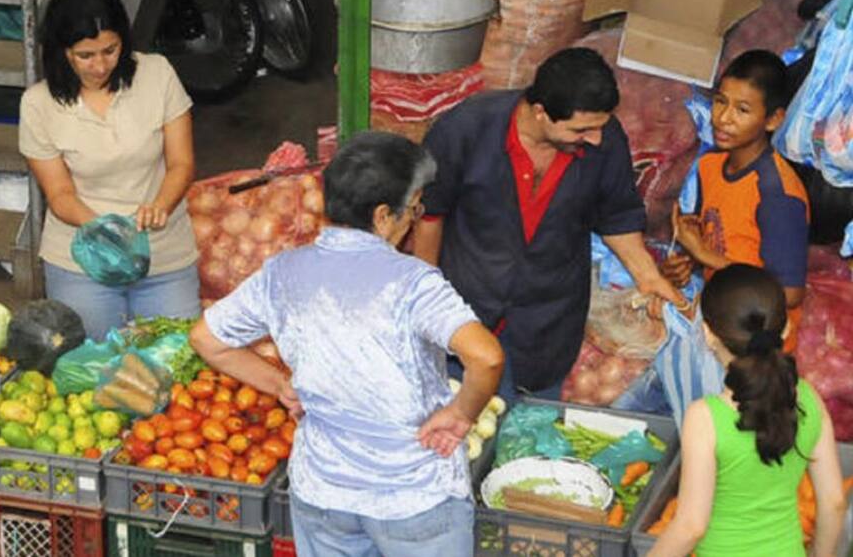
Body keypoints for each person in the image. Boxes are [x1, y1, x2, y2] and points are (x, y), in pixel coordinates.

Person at [191, 132, 505, 557]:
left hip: (324, 494)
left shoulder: (282, 272)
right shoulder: (414, 283)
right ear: (382, 216)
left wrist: (281, 384)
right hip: (412, 498)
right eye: (414, 208)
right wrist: (460, 414)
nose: (416, 218)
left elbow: (207, 340)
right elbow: (485, 357)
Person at [413, 47, 683, 402]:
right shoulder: (465, 129)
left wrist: (649, 279)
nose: (596, 138)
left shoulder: (605, 139)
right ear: (540, 112)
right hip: (467, 309)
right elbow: (430, 216)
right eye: (581, 129)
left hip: (548, 321)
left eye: (599, 127)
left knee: (527, 428)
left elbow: (616, 216)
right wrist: (428, 301)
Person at [19, 0, 199, 339]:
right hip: (81, 262)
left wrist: (160, 205)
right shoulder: (38, 104)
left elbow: (182, 164)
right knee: (92, 370)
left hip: (164, 254)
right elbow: (59, 195)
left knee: (177, 360)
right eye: (85, 55)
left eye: (110, 50)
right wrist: (108, 232)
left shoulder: (157, 74)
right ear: (61, 52)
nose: (100, 65)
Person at [648, 264, 845, 557]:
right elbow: (834, 502)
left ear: (708, 334)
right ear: (786, 327)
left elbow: (691, 527)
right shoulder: (808, 398)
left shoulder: (705, 418)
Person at [661, 50, 809, 352]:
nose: (724, 118)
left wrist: (704, 255)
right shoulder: (710, 166)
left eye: (742, 110)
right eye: (719, 102)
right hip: (716, 327)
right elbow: (719, 237)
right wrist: (688, 262)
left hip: (757, 348)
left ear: (773, 120)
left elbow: (790, 294)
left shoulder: (778, 194)